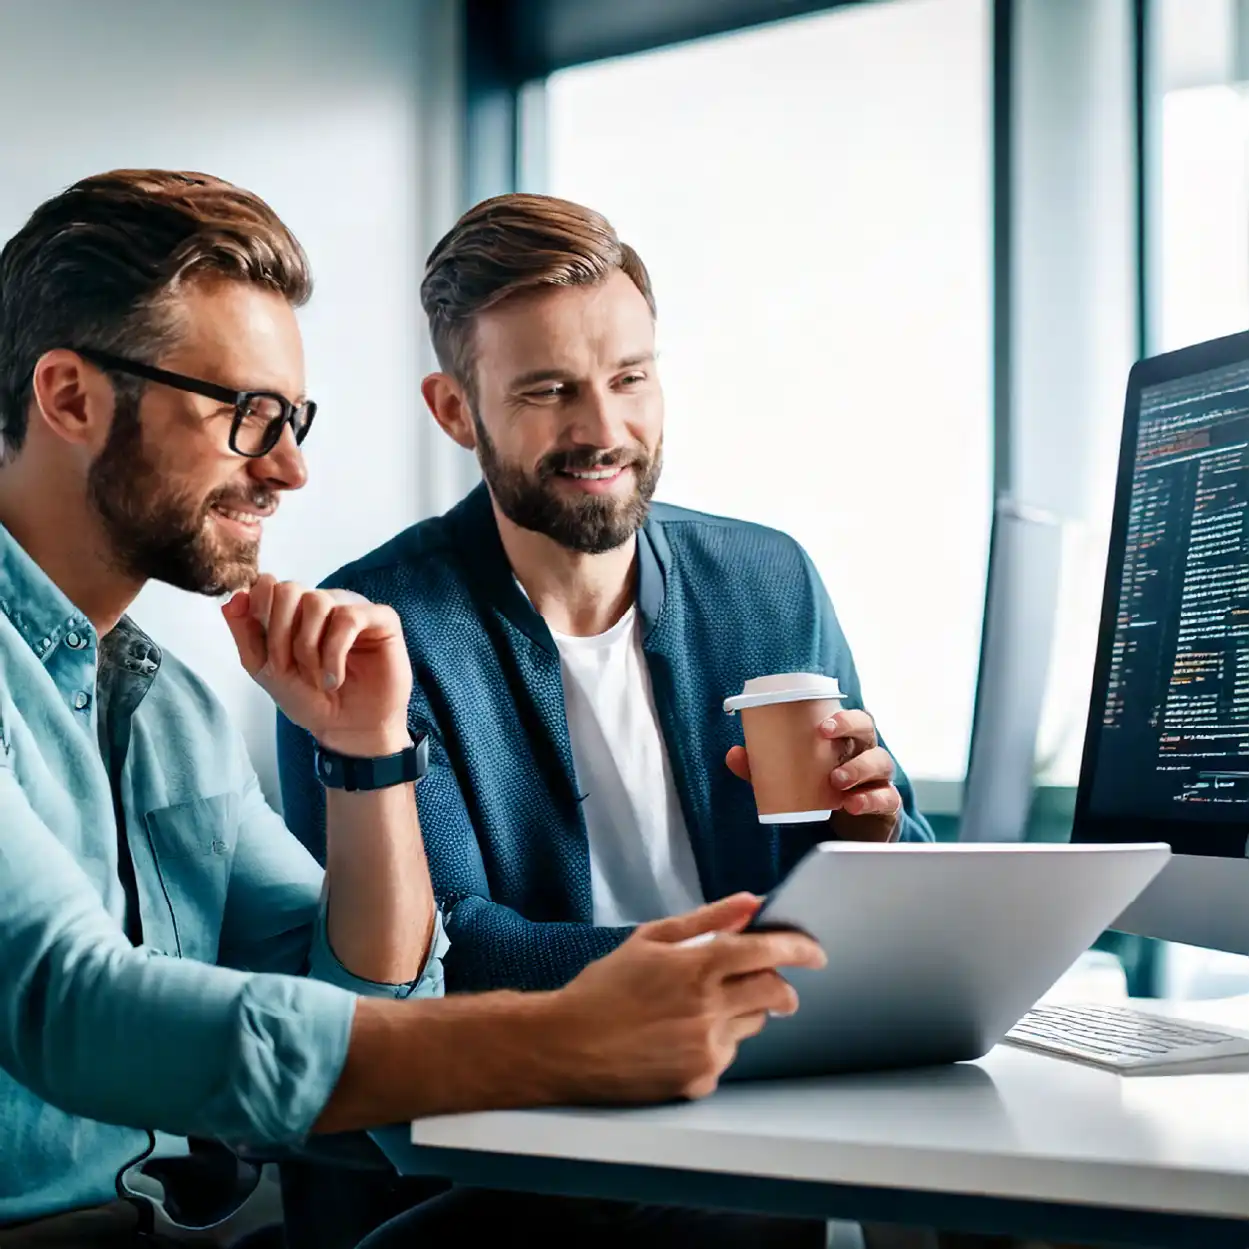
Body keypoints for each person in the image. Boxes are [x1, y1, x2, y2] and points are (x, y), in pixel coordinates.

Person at [0, 170, 826, 1247]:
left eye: (291, 419)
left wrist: (366, 753)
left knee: (715, 1211)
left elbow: (378, 1015)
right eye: (247, 415)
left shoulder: (168, 710)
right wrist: (560, 1037)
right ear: (69, 398)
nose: (288, 467)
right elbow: (70, 1006)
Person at [276, 193, 934, 1245]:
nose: (603, 430)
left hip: (748, 1108)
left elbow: (898, 876)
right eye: (548, 391)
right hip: (501, 1166)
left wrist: (876, 839)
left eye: (630, 378)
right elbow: (444, 957)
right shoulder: (373, 635)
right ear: (454, 410)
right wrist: (731, 974)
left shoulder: (766, 580)